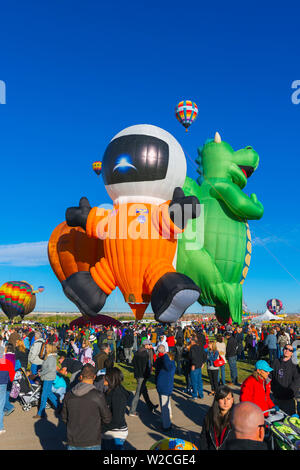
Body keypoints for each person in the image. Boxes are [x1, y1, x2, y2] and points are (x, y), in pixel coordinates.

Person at [62, 363, 112, 450]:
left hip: (74, 440)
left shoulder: (69, 395)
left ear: (80, 377)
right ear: (94, 377)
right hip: (92, 440)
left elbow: (64, 418)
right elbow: (107, 418)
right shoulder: (98, 395)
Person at [101, 367, 130, 450]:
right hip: (109, 430)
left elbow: (116, 420)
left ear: (111, 378)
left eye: (105, 376)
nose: (103, 378)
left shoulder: (118, 395)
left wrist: (101, 428)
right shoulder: (110, 391)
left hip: (116, 432)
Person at [199, 385, 235, 450]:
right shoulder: (210, 415)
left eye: (228, 399)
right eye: (222, 399)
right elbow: (204, 437)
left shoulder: (236, 416)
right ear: (217, 400)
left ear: (232, 400)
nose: (225, 402)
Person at [129, 339, 158, 416]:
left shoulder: (137, 352)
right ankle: (132, 410)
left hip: (138, 374)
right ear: (145, 345)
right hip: (142, 375)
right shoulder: (145, 353)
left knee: (144, 391)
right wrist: (147, 374)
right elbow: (146, 366)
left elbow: (133, 363)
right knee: (138, 393)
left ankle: (150, 406)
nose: (150, 345)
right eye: (149, 344)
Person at [271, 343, 300, 415]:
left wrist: (289, 392)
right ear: (283, 350)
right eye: (286, 349)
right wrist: (274, 389)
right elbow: (271, 376)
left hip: (289, 399)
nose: (287, 351)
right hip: (277, 397)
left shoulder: (294, 365)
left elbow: (297, 381)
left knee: (288, 421)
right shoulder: (275, 362)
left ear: (292, 353)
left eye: (290, 350)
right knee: (276, 419)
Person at [33, 344, 59, 419]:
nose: (45, 349)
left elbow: (50, 369)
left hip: (48, 378)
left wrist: (40, 373)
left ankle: (40, 413)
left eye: (47, 348)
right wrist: (41, 370)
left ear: (50, 349)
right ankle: (60, 406)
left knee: (44, 395)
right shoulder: (50, 357)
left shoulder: (51, 357)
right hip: (48, 377)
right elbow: (47, 367)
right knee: (48, 393)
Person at [154, 345, 176, 431]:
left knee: (164, 407)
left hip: (164, 388)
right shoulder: (169, 365)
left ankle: (166, 425)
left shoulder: (169, 366)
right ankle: (168, 418)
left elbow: (166, 363)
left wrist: (165, 354)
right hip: (164, 388)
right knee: (166, 404)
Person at [0, 348, 15, 433]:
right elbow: (12, 377)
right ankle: (0, 427)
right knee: (0, 406)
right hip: (3, 384)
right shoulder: (7, 362)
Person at [188, 335, 206, 400]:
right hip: (199, 365)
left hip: (194, 366)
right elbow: (205, 355)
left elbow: (192, 357)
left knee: (194, 381)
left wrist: (193, 364)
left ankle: (195, 395)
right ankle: (201, 394)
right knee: (199, 381)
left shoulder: (192, 348)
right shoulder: (200, 347)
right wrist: (203, 362)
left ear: (193, 342)